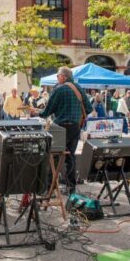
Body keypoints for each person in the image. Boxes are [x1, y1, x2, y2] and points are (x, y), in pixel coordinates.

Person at [35, 67, 92, 195]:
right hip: (75, 127)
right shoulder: (79, 89)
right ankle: (71, 187)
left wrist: (36, 112)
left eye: (58, 76)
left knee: (53, 156)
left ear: (63, 77)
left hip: (60, 127)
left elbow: (47, 111)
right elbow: (88, 108)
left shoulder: (59, 89)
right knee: (70, 156)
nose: (57, 78)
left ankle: (49, 187)